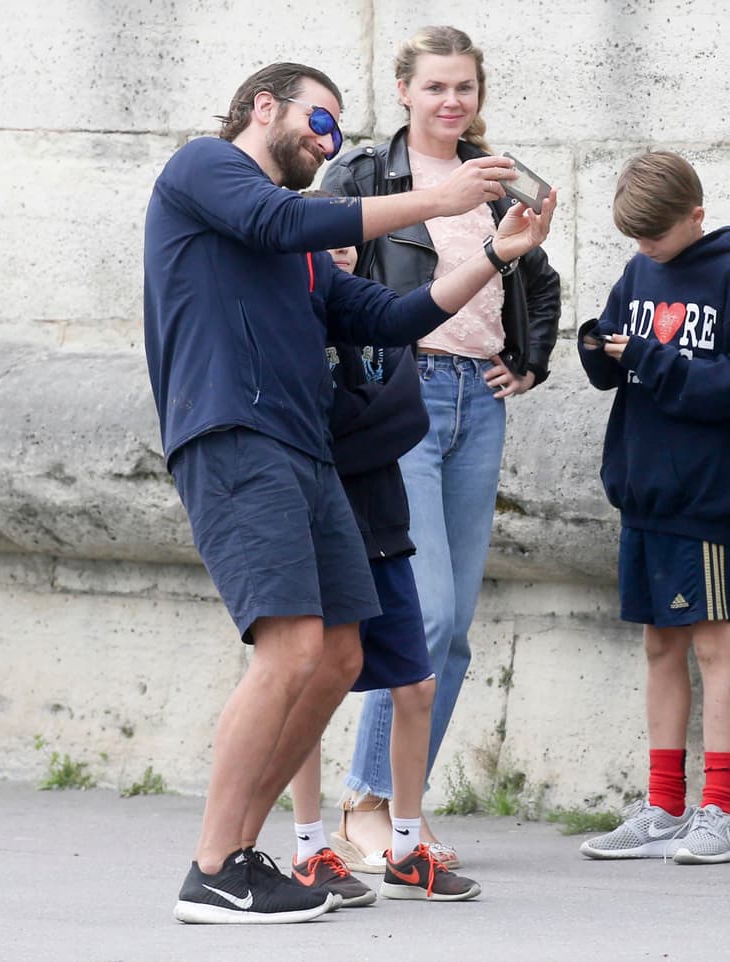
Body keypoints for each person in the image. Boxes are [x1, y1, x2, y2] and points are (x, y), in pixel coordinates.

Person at [143, 61, 554, 924]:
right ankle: (213, 866)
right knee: (290, 648)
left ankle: (245, 856)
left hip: (307, 451)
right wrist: (437, 202)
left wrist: (491, 253)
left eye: (335, 130)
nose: (326, 143)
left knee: (339, 656)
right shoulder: (205, 170)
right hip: (234, 432)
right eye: (317, 124)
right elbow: (277, 214)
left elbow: (392, 316)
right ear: (264, 108)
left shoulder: (300, 254)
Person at [322, 25, 561, 871]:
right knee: (416, 615)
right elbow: (325, 269)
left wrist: (528, 361)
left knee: (454, 629)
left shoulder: (496, 178)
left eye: (464, 88)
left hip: (476, 404)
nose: (451, 102)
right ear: (405, 93)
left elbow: (535, 275)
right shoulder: (364, 174)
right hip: (401, 395)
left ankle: (400, 806)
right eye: (435, 88)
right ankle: (368, 802)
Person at [575, 150, 730, 865]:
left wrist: (651, 361)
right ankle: (664, 805)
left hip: (701, 498)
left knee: (710, 642)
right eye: (635, 239)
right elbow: (620, 350)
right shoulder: (640, 272)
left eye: (657, 237)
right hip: (642, 491)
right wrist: (599, 350)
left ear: (695, 217)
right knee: (659, 643)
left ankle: (718, 811)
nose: (645, 250)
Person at [285, 221, 480, 905]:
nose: (338, 244)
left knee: (416, 683)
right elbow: (315, 421)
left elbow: (404, 418)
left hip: (383, 520)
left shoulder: (374, 310)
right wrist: (353, 422)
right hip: (318, 519)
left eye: (347, 233)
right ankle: (310, 848)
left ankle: (404, 846)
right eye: (322, 231)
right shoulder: (291, 317)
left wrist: (349, 423)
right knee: (308, 685)